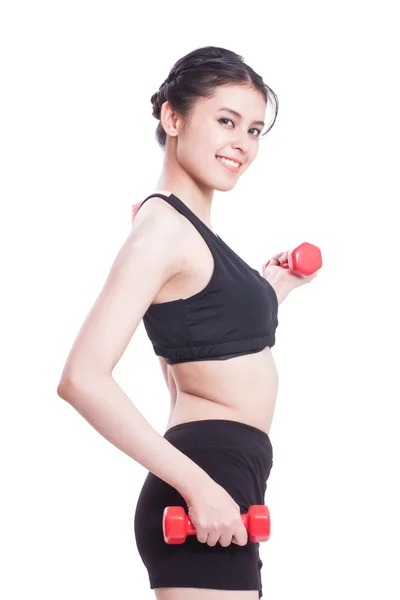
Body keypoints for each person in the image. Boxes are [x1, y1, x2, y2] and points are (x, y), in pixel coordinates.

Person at [57, 45, 318, 599]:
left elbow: (191, 349)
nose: (242, 144)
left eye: (253, 130)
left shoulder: (186, 229)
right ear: (173, 117)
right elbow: (81, 378)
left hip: (228, 473)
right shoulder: (164, 231)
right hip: (204, 482)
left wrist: (271, 293)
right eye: (226, 121)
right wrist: (199, 488)